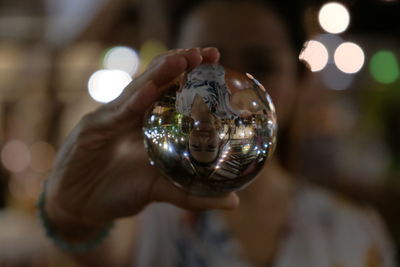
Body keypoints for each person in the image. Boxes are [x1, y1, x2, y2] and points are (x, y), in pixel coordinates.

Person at [41, 1, 396, 266]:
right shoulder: (141, 214)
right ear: (172, 81)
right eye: (206, 69)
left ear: (301, 80)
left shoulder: (353, 230)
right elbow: (93, 246)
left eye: (260, 67)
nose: (230, 89)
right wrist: (71, 215)